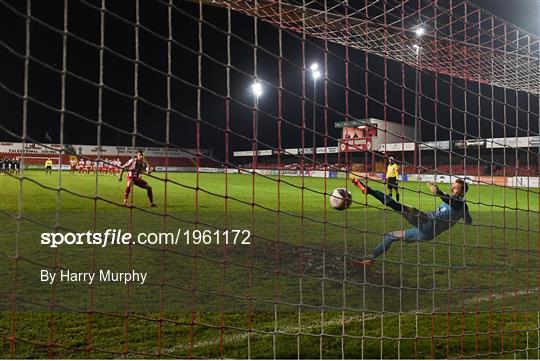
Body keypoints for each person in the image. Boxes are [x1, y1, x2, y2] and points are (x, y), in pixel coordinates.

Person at [350, 177, 472, 266]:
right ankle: (370, 259)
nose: (452, 188)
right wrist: (463, 217)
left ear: (461, 191)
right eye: (452, 186)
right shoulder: (459, 204)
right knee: (390, 236)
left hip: (427, 223)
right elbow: (468, 221)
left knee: (398, 206)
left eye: (455, 187)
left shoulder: (460, 203)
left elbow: (454, 203)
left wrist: (438, 192)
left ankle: (369, 190)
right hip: (427, 234)